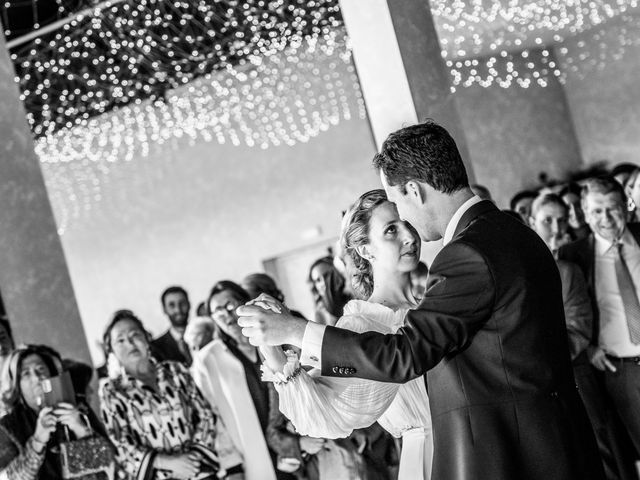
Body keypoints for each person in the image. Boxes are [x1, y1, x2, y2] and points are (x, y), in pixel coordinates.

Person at [238, 120, 604, 480]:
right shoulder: (515, 234)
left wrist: (297, 330)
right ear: (364, 249)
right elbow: (333, 409)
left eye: (400, 207)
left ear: (414, 190)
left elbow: (406, 353)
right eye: (391, 227)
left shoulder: (466, 255)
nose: (408, 229)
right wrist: (282, 345)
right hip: (531, 443)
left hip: (506, 450)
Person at [260, 189, 433, 479]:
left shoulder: (434, 305)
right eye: (391, 230)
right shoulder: (362, 325)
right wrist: (272, 350)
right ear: (365, 250)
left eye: (407, 223)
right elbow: (325, 413)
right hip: (430, 458)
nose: (409, 237)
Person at [531, 193, 635, 480]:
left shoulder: (568, 268)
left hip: (576, 374)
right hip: (536, 390)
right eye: (546, 220)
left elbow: (578, 328)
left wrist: (535, 359)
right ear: (531, 222)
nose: (555, 227)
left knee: (604, 454)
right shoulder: (519, 270)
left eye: (561, 220)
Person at [99, 309, 243, 480]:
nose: (130, 344)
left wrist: (191, 461)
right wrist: (169, 464)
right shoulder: (113, 392)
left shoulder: (176, 371)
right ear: (112, 350)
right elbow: (121, 445)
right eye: (120, 340)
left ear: (146, 338)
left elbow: (205, 415)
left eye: (135, 335)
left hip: (198, 471)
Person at [559, 177, 640, 458]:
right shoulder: (573, 255)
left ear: (626, 208)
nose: (605, 218)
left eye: (612, 208)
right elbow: (567, 312)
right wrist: (589, 348)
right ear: (584, 213)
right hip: (621, 371)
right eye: (596, 211)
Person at [190, 282, 279, 480]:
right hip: (253, 459)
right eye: (217, 311)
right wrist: (231, 468)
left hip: (293, 448)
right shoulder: (208, 359)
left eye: (230, 305)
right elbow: (211, 418)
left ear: (245, 303)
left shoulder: (271, 340)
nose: (226, 314)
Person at [0, 344, 109, 480]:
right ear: (17, 385)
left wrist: (80, 430)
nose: (37, 378)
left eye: (41, 369)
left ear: (51, 373)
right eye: (26, 374)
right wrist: (37, 442)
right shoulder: (7, 427)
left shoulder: (77, 407)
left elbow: (106, 468)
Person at [150, 286, 192, 365]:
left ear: (189, 305)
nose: (178, 310)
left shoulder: (208, 336)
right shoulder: (156, 347)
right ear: (164, 309)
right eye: (172, 305)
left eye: (182, 303)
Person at [308, 257, 351, 326]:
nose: (324, 283)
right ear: (315, 287)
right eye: (318, 280)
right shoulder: (317, 315)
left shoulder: (353, 298)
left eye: (327, 276)